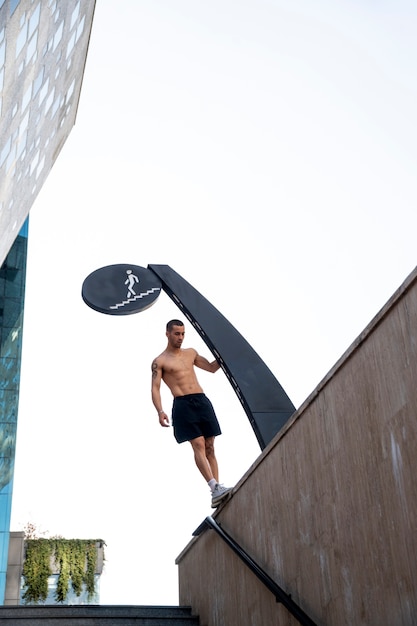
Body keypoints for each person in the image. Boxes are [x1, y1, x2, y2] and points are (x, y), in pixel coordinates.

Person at [151, 319, 231, 507]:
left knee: (210, 445)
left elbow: (211, 368)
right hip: (182, 403)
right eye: (177, 333)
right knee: (198, 443)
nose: (180, 337)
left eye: (183, 334)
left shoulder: (191, 353)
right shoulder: (160, 361)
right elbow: (155, 388)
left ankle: (217, 489)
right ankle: (213, 488)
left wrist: (224, 353)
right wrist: (160, 411)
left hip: (201, 400)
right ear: (167, 334)